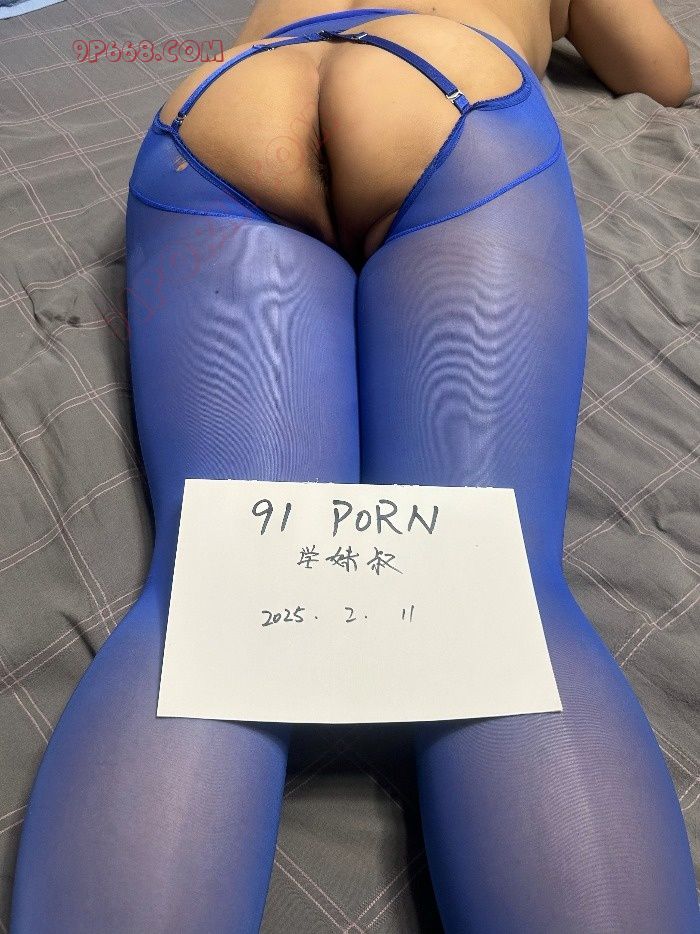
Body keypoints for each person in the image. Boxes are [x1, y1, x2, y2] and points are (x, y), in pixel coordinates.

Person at [9, 1, 698, 932]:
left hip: (231, 107)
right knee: (495, 586)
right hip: (444, 89)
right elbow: (662, 75)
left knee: (213, 591)